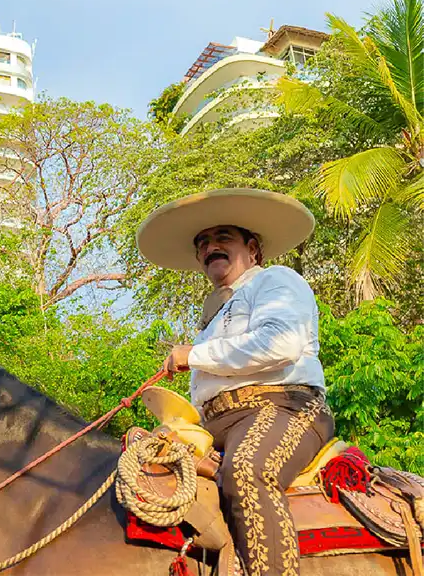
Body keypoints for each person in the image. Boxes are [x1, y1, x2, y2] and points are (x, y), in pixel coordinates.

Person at [136, 188, 335, 576]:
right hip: (215, 423)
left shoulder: (277, 280)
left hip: (284, 406)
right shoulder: (213, 317)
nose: (211, 246)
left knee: (247, 471)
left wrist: (192, 354)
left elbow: (281, 343)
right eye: (203, 243)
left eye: (223, 237)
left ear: (254, 248)